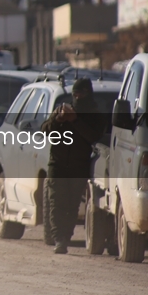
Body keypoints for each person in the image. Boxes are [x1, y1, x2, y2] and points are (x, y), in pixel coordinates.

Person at [41, 77, 105, 254]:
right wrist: (58, 120)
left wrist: (76, 121)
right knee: (56, 203)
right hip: (57, 165)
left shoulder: (95, 116)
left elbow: (93, 137)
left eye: (81, 93)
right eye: (75, 93)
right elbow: (44, 130)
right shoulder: (61, 111)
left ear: (88, 93)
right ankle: (59, 239)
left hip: (78, 167)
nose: (77, 96)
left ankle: (66, 236)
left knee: (71, 205)